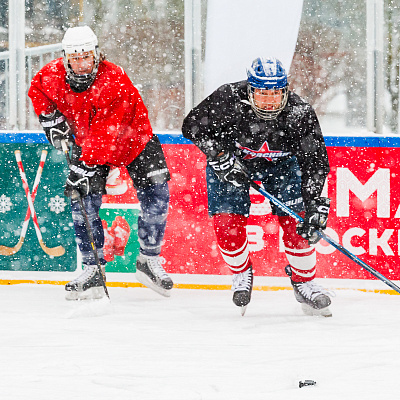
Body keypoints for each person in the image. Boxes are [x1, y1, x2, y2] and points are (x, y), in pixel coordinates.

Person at [28, 25, 173, 299]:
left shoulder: (113, 78)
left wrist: (83, 167)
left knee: (158, 192)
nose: (82, 64)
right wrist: (52, 122)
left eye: (87, 57)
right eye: (76, 58)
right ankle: (93, 268)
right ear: (66, 58)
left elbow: (108, 132)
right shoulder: (51, 75)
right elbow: (37, 90)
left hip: (133, 137)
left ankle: (148, 260)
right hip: (90, 142)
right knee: (81, 199)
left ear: (96, 55)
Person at [182, 57, 333, 317]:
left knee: (299, 226)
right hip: (231, 161)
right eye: (262, 93)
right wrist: (219, 156)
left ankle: (304, 281)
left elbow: (315, 163)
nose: (270, 101)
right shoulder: (228, 98)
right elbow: (192, 126)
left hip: (284, 166)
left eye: (276, 93)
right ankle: (241, 274)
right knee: (226, 223)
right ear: (250, 90)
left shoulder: (299, 112)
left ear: (286, 91)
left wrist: (313, 204)